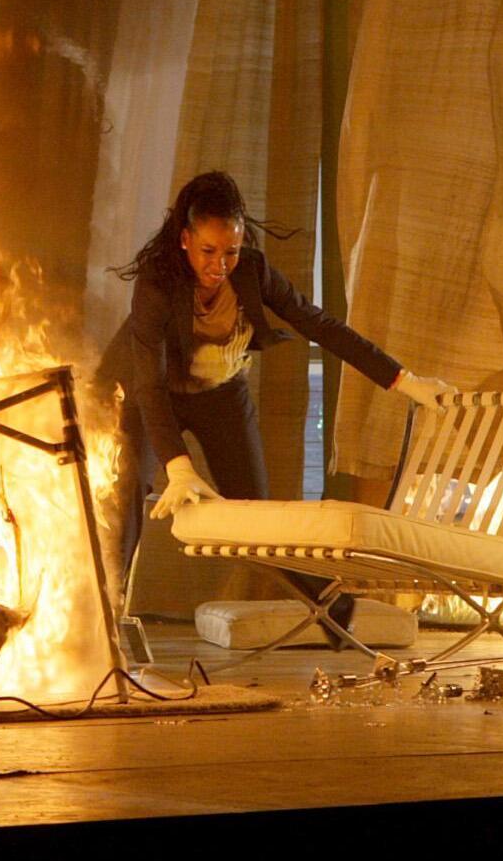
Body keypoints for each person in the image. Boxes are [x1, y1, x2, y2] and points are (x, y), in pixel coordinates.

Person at [100, 171, 451, 643]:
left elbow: (321, 325)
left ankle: (333, 610)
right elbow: (149, 382)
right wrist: (178, 467)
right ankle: (104, 616)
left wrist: (404, 380)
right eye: (208, 251)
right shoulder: (157, 284)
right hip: (150, 393)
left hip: (220, 395)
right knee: (125, 495)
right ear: (185, 240)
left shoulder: (252, 271)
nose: (220, 265)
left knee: (258, 515)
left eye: (230, 251)